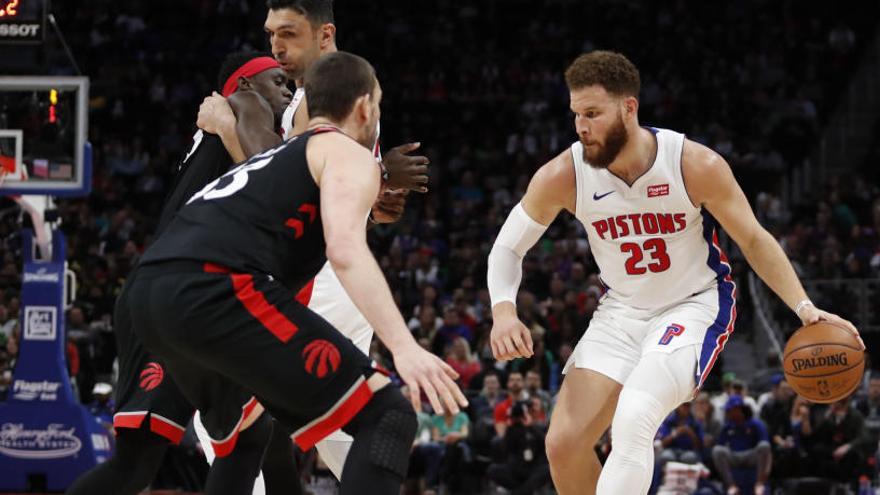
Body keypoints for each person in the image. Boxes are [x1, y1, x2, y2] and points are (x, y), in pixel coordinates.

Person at [485, 50, 863, 495]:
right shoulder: (563, 174)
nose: (581, 126)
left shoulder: (693, 164)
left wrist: (804, 308)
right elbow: (508, 247)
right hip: (622, 312)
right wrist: (504, 311)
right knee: (564, 444)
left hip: (693, 306)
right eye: (575, 115)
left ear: (629, 108)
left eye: (592, 113)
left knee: (633, 416)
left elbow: (755, 239)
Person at [129, 51, 467, 495]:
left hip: (150, 288)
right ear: (366, 108)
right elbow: (344, 251)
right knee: (390, 414)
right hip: (211, 287)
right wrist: (404, 348)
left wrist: (377, 190)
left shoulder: (273, 156)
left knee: (251, 438)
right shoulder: (341, 152)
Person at [194, 0, 430, 482]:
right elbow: (344, 195)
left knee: (221, 408)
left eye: (289, 34)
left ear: (325, 36)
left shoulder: (317, 103)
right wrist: (381, 190)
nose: (276, 47)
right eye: (270, 35)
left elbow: (283, 187)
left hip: (313, 277)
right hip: (336, 279)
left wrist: (225, 126)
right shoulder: (349, 92)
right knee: (343, 429)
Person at [66, 51, 294, 495]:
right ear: (244, 85)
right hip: (178, 294)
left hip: (189, 293)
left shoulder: (229, 125)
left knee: (254, 437)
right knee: (135, 466)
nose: (288, 89)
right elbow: (277, 174)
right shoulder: (244, 106)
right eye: (278, 80)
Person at [711, 395, 772, 495]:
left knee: (764, 446)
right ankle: (731, 486)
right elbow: (720, 446)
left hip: (751, 456)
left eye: (730, 410)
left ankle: (760, 484)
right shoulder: (727, 426)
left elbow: (766, 449)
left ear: (738, 409)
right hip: (734, 456)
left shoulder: (756, 424)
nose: (728, 413)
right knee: (717, 450)